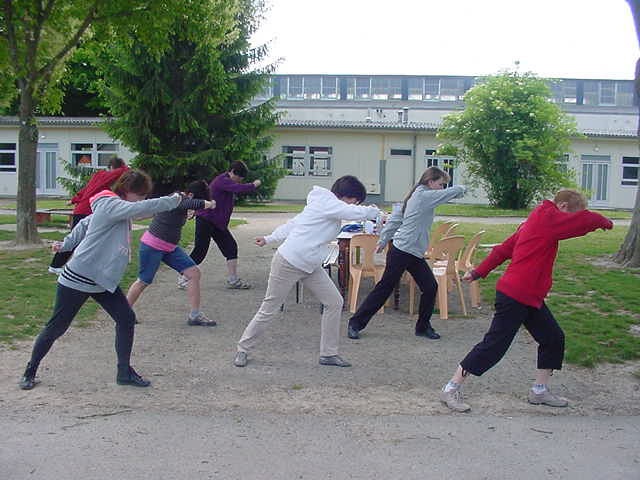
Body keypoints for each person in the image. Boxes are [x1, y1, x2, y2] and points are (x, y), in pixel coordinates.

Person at [439, 189, 613, 412]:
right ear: (562, 208)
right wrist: (605, 222)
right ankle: (450, 389)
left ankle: (539, 391)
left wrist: (478, 272)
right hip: (515, 295)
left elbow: (504, 250)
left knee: (553, 338)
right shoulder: (548, 218)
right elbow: (586, 221)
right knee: (494, 346)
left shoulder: (536, 221)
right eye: (572, 215)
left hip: (530, 297)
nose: (571, 220)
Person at [19, 170, 182, 391]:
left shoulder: (112, 208)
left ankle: (124, 372)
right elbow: (138, 210)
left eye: (145, 195)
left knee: (126, 319)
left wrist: (65, 244)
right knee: (56, 327)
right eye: (140, 194)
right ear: (127, 191)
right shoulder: (111, 205)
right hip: (78, 277)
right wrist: (173, 200)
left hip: (102, 280)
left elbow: (85, 225)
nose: (142, 199)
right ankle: (30, 371)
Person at [233, 175, 381, 368]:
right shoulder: (326, 202)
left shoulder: (327, 206)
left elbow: (296, 224)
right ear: (345, 196)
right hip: (288, 262)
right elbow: (349, 211)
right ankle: (243, 349)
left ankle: (328, 354)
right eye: (355, 200)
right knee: (269, 308)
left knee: (334, 302)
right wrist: (374, 212)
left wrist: (269, 238)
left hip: (310, 265)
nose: (354, 205)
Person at [347, 167, 465, 341]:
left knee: (430, 287)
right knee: (384, 289)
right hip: (402, 251)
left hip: (413, 252)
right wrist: (462, 188)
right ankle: (355, 323)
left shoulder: (418, 195)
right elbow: (452, 193)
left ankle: (423, 327)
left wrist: (383, 239)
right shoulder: (423, 196)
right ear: (430, 182)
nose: (442, 188)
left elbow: (396, 218)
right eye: (440, 184)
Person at [126, 180, 217, 326]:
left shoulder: (178, 201)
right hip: (152, 245)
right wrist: (210, 204)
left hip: (170, 247)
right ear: (191, 195)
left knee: (194, 273)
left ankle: (195, 315)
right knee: (144, 280)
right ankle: (123, 313)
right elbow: (193, 204)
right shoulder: (178, 197)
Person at [181, 161, 261, 290]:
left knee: (231, 247)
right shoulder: (222, 180)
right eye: (239, 177)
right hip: (206, 220)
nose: (239, 181)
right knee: (200, 251)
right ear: (233, 171)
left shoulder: (227, 181)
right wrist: (254, 184)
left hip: (218, 223)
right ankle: (183, 277)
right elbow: (239, 189)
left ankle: (233, 280)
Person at [49, 157, 129, 273]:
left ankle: (78, 265)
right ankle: (55, 265)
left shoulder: (100, 179)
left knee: (83, 240)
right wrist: (127, 169)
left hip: (83, 210)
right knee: (75, 240)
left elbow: (86, 190)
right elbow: (122, 171)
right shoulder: (104, 175)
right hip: (85, 211)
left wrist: (73, 200)